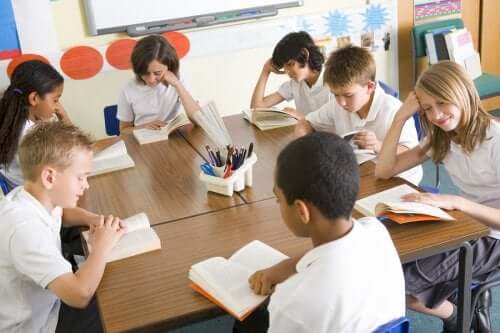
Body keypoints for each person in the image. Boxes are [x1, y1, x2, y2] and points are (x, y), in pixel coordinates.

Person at [234, 132, 405, 333]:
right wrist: (283, 269)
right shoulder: (376, 231)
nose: (278, 203)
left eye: (278, 199)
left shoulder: (294, 303)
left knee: (247, 322)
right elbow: (335, 253)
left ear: (301, 211)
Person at [375, 60, 500, 332]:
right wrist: (400, 117)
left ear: (463, 94)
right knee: (388, 260)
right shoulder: (442, 138)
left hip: (493, 239)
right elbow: (385, 170)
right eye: (428, 108)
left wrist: (457, 202)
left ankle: (458, 312)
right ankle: (459, 306)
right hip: (463, 225)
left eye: (443, 103)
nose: (436, 115)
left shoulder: (496, 140)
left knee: (391, 282)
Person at [0, 121, 126, 333]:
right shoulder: (24, 229)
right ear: (50, 177)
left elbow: (63, 213)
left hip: (51, 304)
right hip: (40, 325)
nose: (86, 185)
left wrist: (95, 219)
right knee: (119, 307)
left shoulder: (34, 195)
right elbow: (79, 295)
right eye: (80, 177)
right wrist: (102, 246)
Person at [294, 45, 422, 184]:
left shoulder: (393, 109)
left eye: (348, 95)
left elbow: (411, 153)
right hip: (361, 172)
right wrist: (303, 147)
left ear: (370, 87)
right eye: (335, 94)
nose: (341, 102)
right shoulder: (337, 105)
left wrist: (378, 146)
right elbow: (305, 123)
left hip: (398, 179)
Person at [0, 60, 71, 190]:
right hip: (33, 195)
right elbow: (74, 153)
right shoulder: (30, 135)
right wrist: (64, 116)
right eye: (55, 100)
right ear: (34, 99)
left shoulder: (16, 121)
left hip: (24, 191)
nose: (58, 107)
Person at [117, 34, 200, 132]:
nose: (151, 79)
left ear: (169, 67)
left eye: (157, 73)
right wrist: (144, 127)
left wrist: (178, 85)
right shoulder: (129, 88)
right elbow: (124, 130)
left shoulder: (177, 81)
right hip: (143, 138)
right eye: (145, 73)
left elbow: (199, 121)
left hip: (173, 137)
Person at [250, 31, 330, 119]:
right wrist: (266, 70)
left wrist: (301, 117)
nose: (287, 72)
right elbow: (256, 108)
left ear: (304, 54)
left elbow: (334, 124)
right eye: (284, 68)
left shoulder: (333, 80)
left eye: (290, 64)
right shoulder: (295, 84)